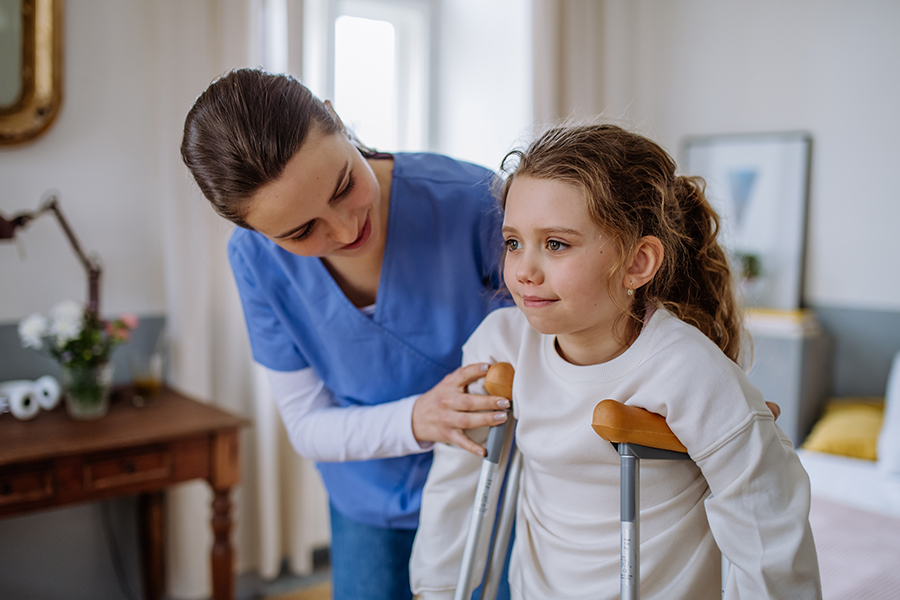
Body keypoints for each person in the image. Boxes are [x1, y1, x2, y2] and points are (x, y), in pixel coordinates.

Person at [410, 123, 822, 599]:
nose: (524, 270)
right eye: (513, 242)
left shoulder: (686, 369)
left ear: (636, 263)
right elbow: (457, 483)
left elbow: (766, 522)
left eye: (556, 244)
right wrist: (435, 590)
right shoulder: (501, 345)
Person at [180, 68, 514, 600]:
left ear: (336, 119)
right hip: (368, 496)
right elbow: (309, 424)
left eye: (342, 187)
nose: (344, 230)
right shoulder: (255, 262)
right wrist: (418, 418)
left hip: (493, 484)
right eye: (300, 231)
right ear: (258, 233)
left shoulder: (474, 204)